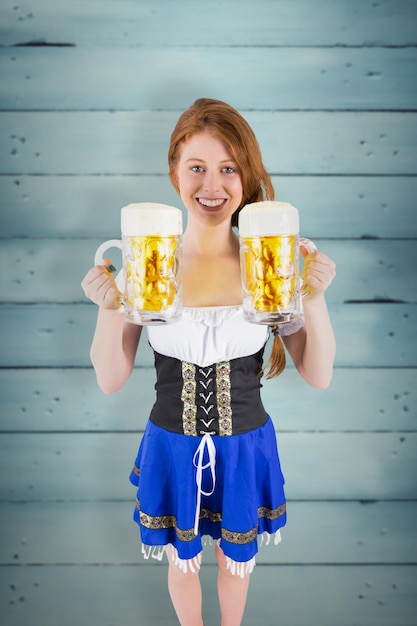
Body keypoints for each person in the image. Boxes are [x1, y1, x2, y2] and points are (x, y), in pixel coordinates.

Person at [81, 98, 336, 626]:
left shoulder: (270, 262)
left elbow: (318, 372)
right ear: (174, 172)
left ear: (247, 176)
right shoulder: (150, 264)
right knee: (182, 558)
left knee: (236, 564)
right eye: (197, 167)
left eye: (228, 168)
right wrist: (110, 308)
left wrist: (314, 297)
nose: (212, 184)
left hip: (245, 442)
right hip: (173, 441)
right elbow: (110, 379)